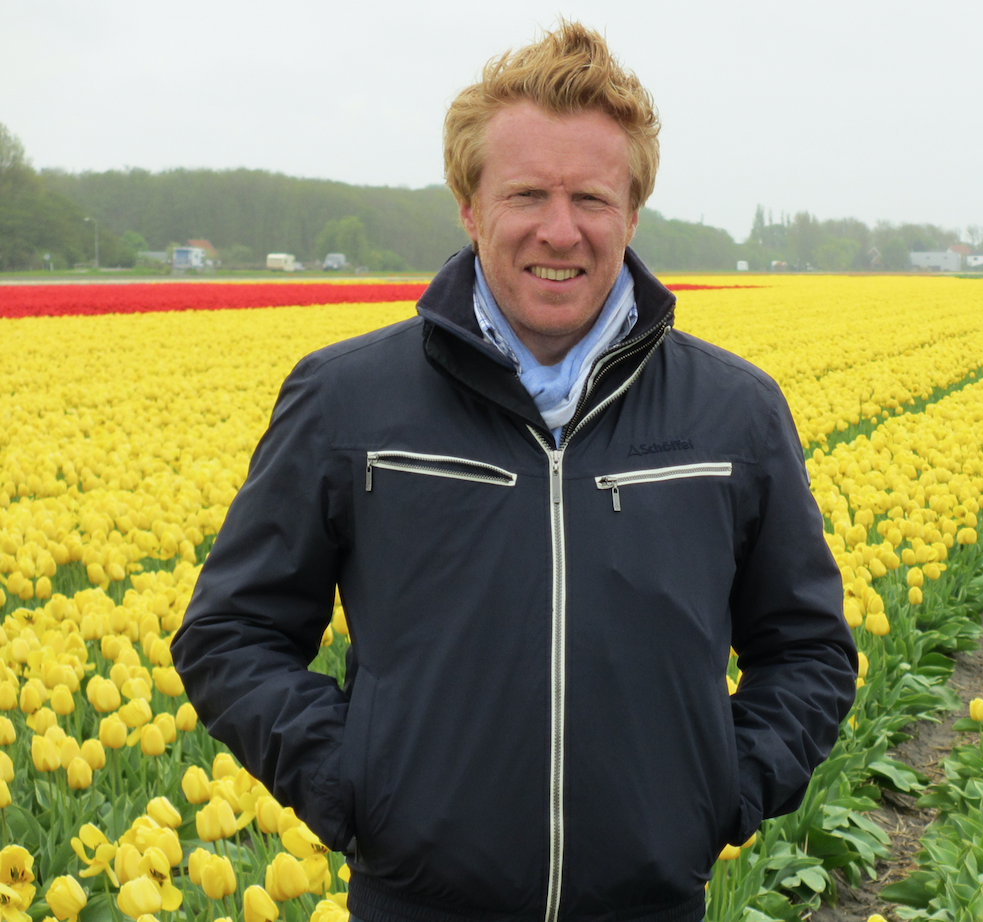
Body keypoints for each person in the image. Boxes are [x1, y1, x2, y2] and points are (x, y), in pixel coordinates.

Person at [171, 22, 855, 922]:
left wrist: (716, 792)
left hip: (649, 905)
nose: (559, 230)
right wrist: (356, 785)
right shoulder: (348, 401)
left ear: (633, 212)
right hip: (416, 904)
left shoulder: (734, 413)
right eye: (526, 193)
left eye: (592, 198)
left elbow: (807, 650)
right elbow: (230, 631)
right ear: (469, 204)